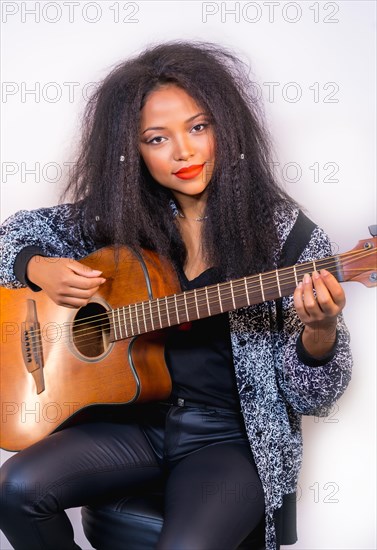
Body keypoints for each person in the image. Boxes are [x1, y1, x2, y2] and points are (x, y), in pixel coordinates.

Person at [0, 41, 352, 550]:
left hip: (229, 440)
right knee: (16, 488)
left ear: (226, 128)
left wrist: (319, 332)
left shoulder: (289, 239)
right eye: (156, 138)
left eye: (198, 127)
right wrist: (36, 265)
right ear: (132, 150)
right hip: (136, 427)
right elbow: (12, 235)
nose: (183, 152)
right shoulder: (117, 220)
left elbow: (314, 397)